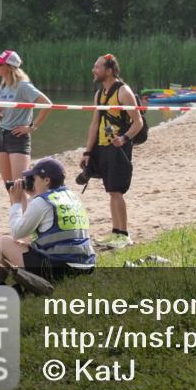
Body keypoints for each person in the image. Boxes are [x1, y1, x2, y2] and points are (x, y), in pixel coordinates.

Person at [0, 158, 95, 286]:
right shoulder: (73, 197)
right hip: (87, 266)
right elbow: (37, 233)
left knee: (3, 243)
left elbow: (17, 232)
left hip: (60, 270)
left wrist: (16, 203)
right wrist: (33, 196)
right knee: (27, 242)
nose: (32, 182)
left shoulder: (42, 202)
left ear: (46, 180)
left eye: (34, 178)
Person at [80, 54, 143, 250]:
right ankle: (116, 232)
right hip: (102, 147)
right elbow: (94, 124)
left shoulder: (124, 92)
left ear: (109, 70)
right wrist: (88, 152)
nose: (94, 70)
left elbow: (138, 121)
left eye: (97, 67)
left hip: (119, 149)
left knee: (116, 191)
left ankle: (123, 234)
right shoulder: (99, 94)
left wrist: (124, 138)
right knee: (111, 191)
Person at [0, 50, 52, 196]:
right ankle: (16, 219)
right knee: (10, 188)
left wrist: (32, 127)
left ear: (9, 66)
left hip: (18, 137)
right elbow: (2, 117)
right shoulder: (2, 87)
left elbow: (47, 104)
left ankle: (33, 215)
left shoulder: (23, 86)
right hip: (2, 136)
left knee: (20, 187)